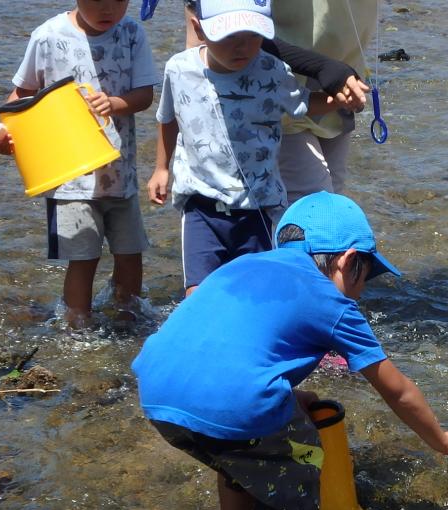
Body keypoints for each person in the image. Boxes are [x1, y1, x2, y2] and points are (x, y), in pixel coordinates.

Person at [132, 191, 448, 510]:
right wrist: (442, 440)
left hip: (157, 393)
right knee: (299, 476)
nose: (362, 291)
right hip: (232, 406)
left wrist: (287, 398)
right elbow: (397, 390)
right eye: (366, 277)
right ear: (350, 262)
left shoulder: (245, 264)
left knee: (239, 458)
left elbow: (230, 349)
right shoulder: (332, 302)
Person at [147, 0, 364, 297]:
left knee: (259, 293)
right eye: (229, 37)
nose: (243, 47)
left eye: (252, 35)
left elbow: (300, 104)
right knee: (198, 295)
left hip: (258, 206)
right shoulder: (180, 69)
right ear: (199, 27)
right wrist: (161, 168)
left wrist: (337, 101)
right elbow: (168, 117)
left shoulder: (271, 69)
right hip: (201, 205)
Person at [0, 0, 156, 327]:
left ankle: (127, 320)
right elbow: (20, 95)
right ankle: (77, 328)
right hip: (69, 175)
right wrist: (9, 133)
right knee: (83, 259)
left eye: (118, 1)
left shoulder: (131, 33)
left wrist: (114, 103)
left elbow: (144, 95)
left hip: (120, 174)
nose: (108, 9)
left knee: (130, 253)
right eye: (97, 1)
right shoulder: (48, 36)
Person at [272, 0, 380, 202]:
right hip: (284, 83)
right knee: (316, 201)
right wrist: (323, 68)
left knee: (335, 196)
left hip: (344, 76)